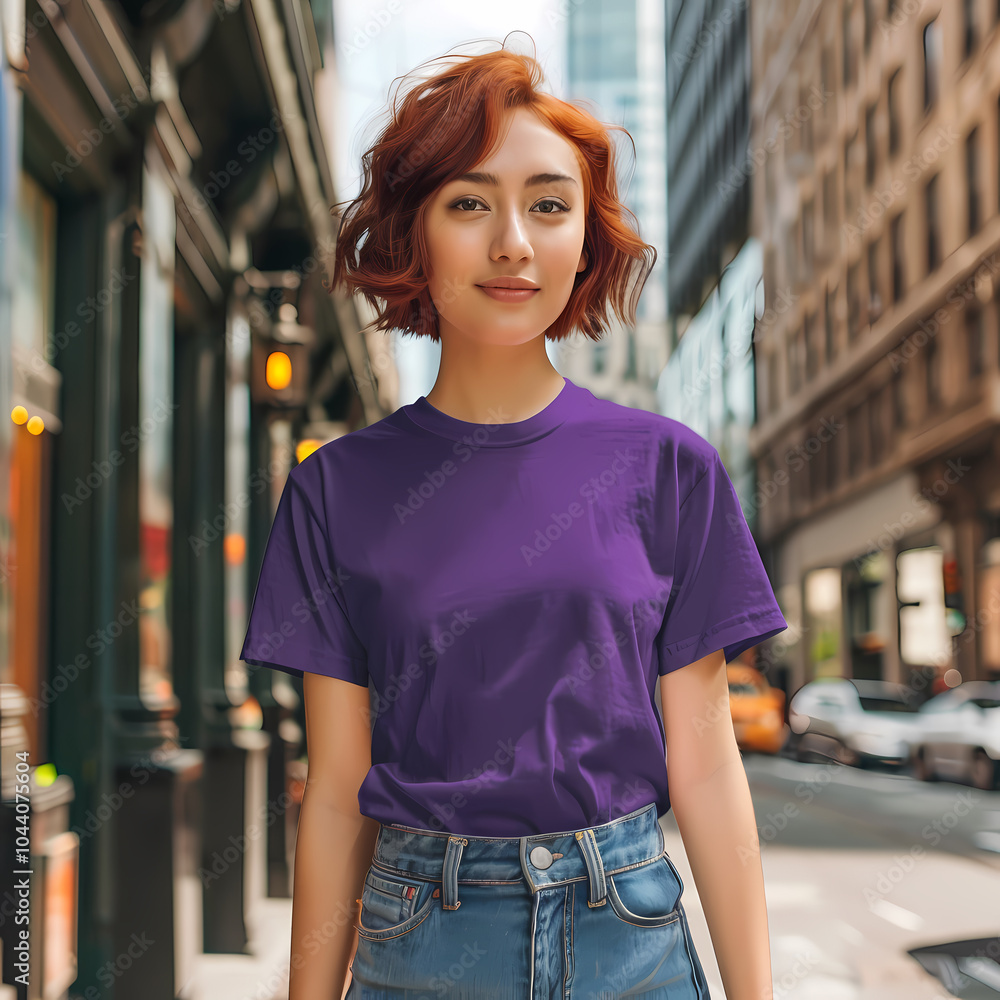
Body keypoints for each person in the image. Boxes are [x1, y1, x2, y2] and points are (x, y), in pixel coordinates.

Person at [240, 34, 788, 1000]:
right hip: (418, 941)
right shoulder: (334, 490)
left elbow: (705, 770)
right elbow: (334, 794)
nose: (512, 243)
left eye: (548, 204)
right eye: (469, 203)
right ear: (414, 232)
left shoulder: (671, 471)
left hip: (634, 941)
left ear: (586, 238)